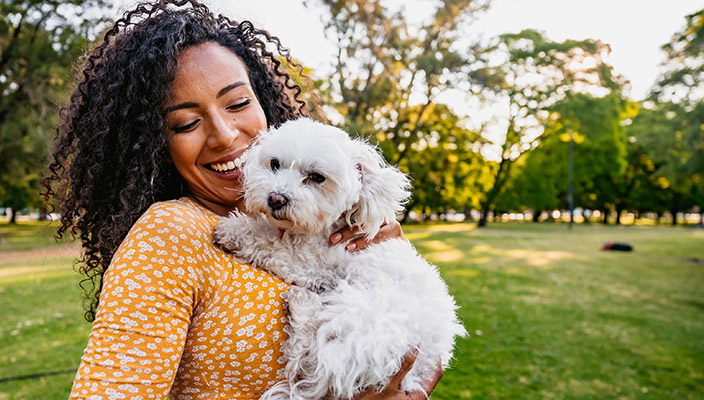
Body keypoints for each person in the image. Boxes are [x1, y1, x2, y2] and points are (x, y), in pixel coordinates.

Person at [44, 1, 443, 398]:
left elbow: (421, 345)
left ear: (263, 100)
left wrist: (385, 249)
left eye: (237, 103)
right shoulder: (167, 236)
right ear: (153, 142)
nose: (224, 135)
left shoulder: (333, 227)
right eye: (186, 123)